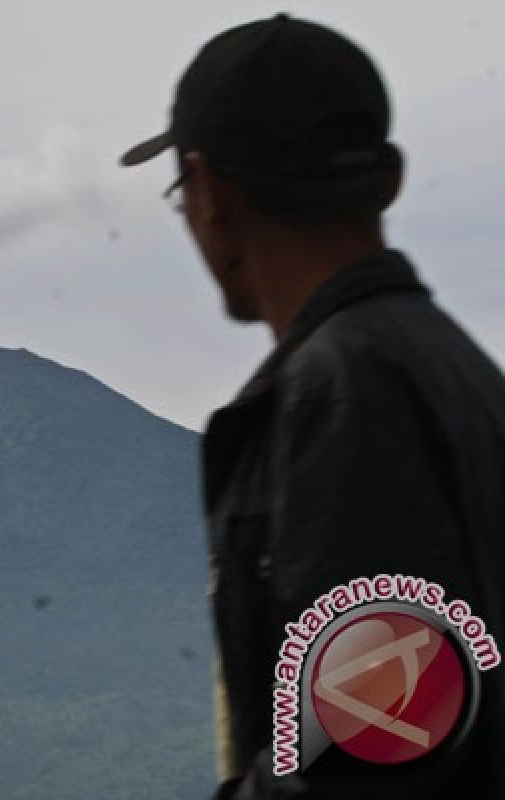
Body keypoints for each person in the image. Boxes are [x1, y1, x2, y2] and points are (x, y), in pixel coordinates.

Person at [119, 13, 505, 799]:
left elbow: (375, 748)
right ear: (389, 177)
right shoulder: (459, 372)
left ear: (210, 195)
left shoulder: (343, 394)